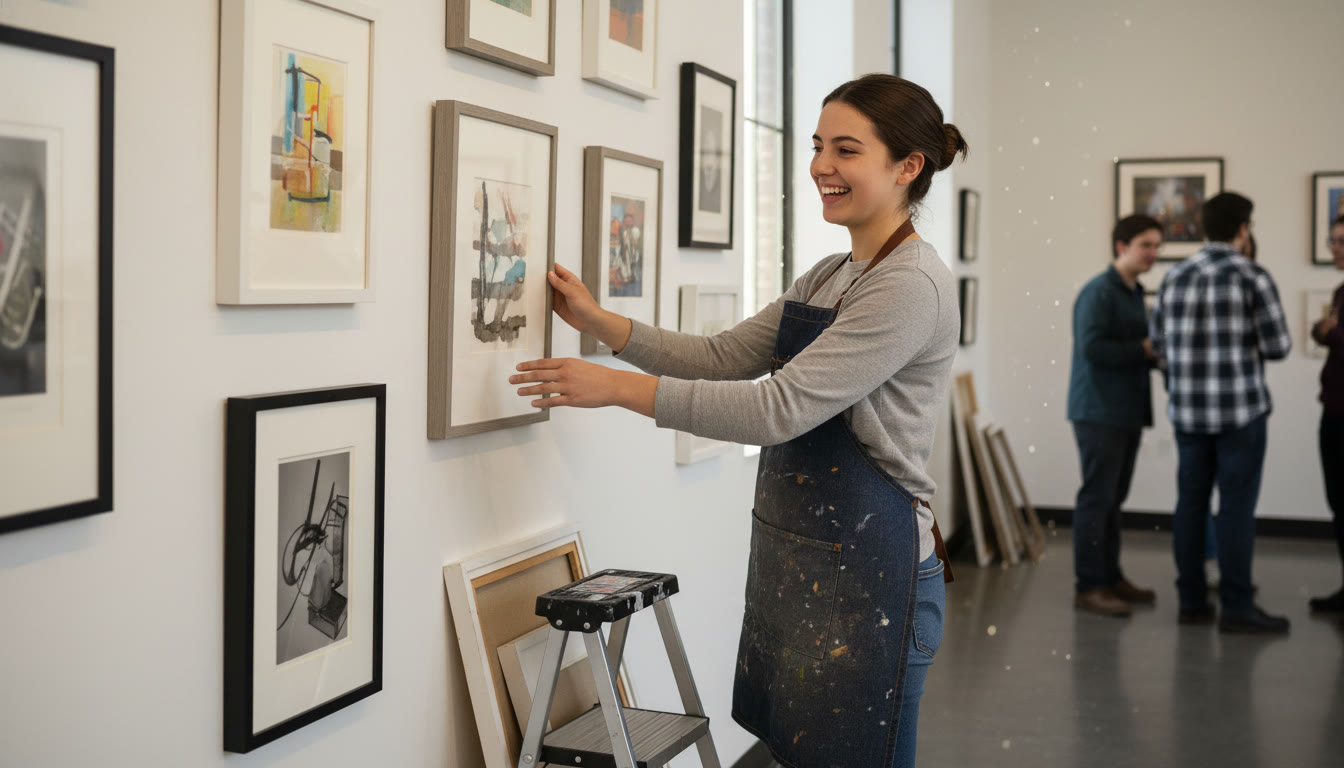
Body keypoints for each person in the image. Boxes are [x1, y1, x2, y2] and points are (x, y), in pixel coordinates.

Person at [509, 74, 966, 768]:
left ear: (908, 167)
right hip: (807, 559)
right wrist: (605, 325)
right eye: (818, 146)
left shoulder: (911, 286)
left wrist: (617, 389)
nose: (820, 166)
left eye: (846, 150)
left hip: (872, 578)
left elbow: (775, 408)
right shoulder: (827, 274)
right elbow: (726, 356)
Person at [1149, 191, 1293, 633]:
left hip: (1189, 414)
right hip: (1241, 416)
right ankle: (1236, 607)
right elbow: (1279, 346)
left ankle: (1191, 602)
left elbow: (1158, 348)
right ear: (1243, 229)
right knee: (1235, 510)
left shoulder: (1174, 276)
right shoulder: (1253, 276)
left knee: (1190, 505)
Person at [1066, 214, 1163, 617]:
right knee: (1097, 498)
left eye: (1157, 246)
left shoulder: (1132, 291)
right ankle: (1090, 586)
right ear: (1121, 246)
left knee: (1113, 500)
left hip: (1124, 409)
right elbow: (1093, 350)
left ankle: (1111, 576)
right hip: (1100, 411)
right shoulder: (1098, 292)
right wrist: (1143, 351)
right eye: (1146, 245)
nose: (1154, 254)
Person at [1309, 214, 1344, 612]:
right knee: (1338, 503)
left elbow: (1331, 333)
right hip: (1333, 411)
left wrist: (1327, 331)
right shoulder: (1340, 290)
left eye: (1341, 240)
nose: (1334, 247)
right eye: (1332, 239)